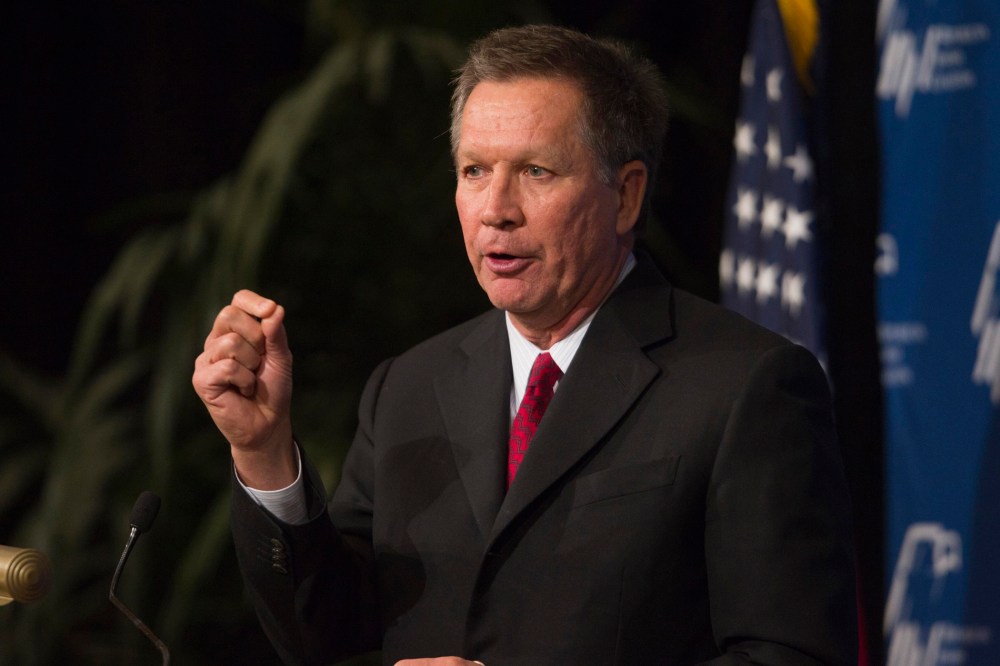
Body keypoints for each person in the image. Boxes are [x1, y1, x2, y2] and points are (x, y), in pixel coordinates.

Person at [192, 24, 857, 665]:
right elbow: (322, 630)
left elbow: (788, 655)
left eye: (536, 172)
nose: (496, 209)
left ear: (626, 196)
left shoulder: (747, 386)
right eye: (475, 171)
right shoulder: (409, 388)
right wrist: (264, 451)